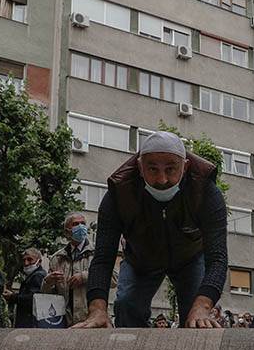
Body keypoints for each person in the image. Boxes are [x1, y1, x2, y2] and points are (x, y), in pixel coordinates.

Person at [73, 131, 226, 330]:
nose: (162, 180)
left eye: (171, 169)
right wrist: (97, 308)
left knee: (196, 318)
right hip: (140, 260)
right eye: (152, 169)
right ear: (139, 166)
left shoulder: (206, 191)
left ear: (185, 166)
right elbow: (103, 257)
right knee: (126, 305)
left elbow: (218, 258)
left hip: (190, 258)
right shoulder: (119, 193)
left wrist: (204, 305)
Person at [42, 212, 94, 327]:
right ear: (67, 231)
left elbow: (113, 278)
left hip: (90, 320)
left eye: (83, 223)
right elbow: (47, 294)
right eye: (76, 224)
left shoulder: (96, 253)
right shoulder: (57, 258)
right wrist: (48, 282)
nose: (81, 227)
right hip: (65, 321)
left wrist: (84, 276)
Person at [9, 248, 45, 328]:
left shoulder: (38, 276)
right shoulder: (32, 275)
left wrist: (12, 297)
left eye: (30, 259)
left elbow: (32, 299)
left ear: (39, 262)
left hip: (30, 322)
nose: (26, 263)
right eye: (24, 260)